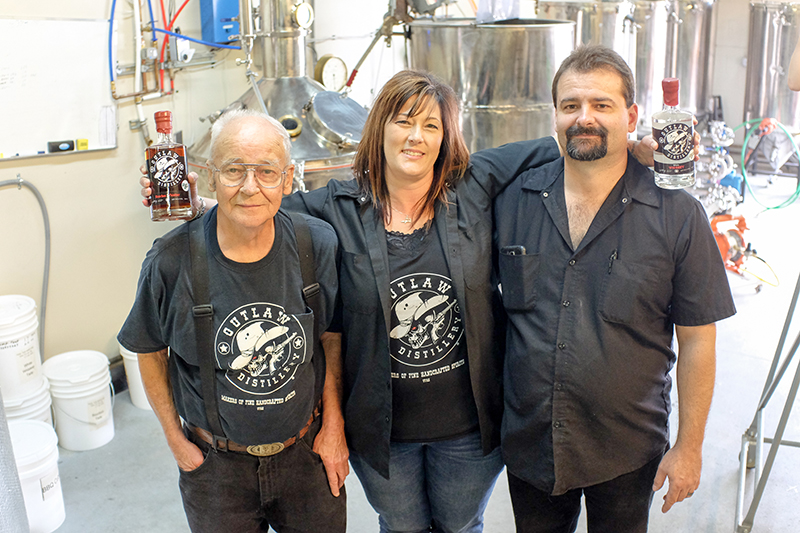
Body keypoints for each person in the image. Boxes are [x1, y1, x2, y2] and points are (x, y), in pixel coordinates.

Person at [139, 70, 662, 533]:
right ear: (380, 129)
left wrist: (637, 146)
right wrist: (198, 195)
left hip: (469, 427)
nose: (416, 136)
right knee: (402, 525)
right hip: (382, 431)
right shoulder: (336, 206)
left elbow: (564, 143)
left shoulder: (476, 184)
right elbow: (261, 203)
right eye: (403, 121)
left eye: (431, 126)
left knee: (460, 523)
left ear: (445, 137)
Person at [493, 45, 736, 533]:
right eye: (570, 106)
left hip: (626, 450)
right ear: (555, 116)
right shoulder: (512, 201)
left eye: (601, 105)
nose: (585, 118)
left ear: (631, 116)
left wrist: (689, 447)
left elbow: (697, 340)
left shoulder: (677, 215)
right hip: (531, 441)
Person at [119, 110, 347, 533]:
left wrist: (333, 427)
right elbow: (149, 349)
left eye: (265, 171)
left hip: (307, 456)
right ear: (209, 176)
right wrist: (177, 443)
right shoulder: (170, 261)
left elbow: (331, 336)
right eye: (234, 170)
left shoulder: (317, 244)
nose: (249, 187)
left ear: (288, 176)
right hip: (215, 469)